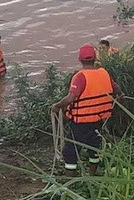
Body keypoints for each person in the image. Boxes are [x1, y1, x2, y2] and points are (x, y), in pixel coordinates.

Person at [51, 44, 123, 176]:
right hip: (99, 120)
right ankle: (92, 175)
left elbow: (70, 98)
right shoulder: (104, 74)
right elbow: (119, 92)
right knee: (94, 148)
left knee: (70, 151)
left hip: (80, 122)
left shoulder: (80, 77)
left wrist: (56, 106)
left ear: (80, 60)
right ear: (95, 58)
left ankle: (70, 181)